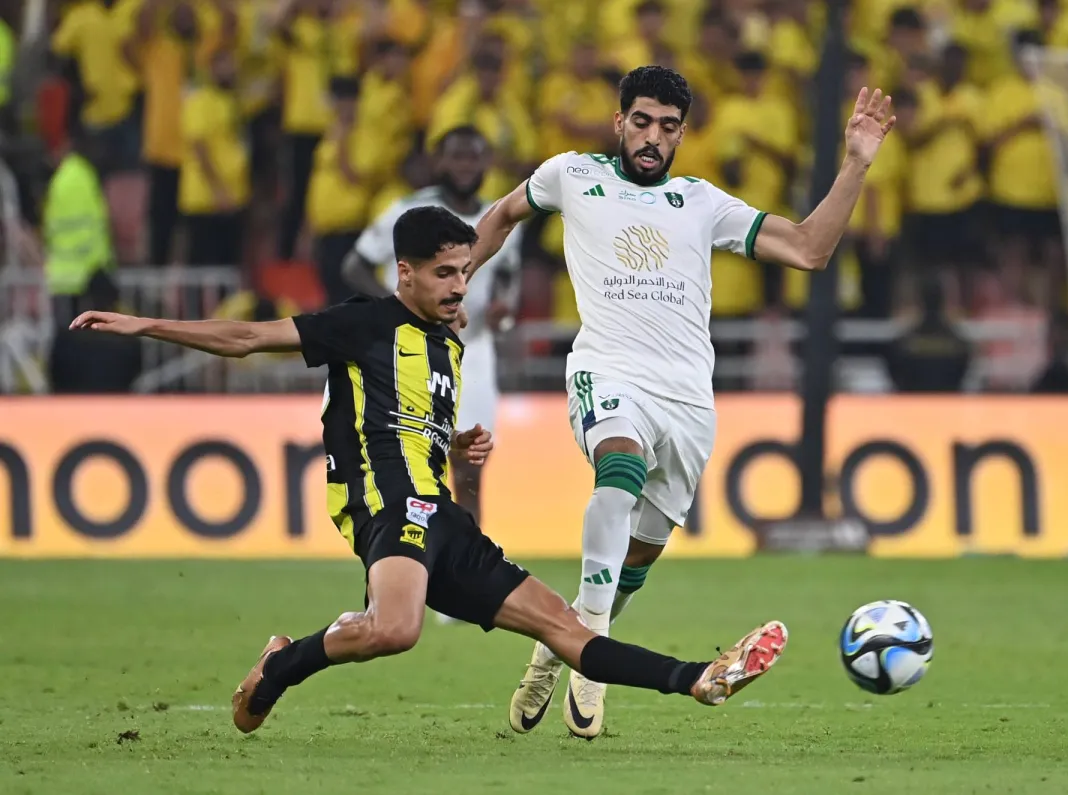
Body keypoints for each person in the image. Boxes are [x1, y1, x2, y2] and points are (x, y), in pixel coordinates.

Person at [68, 205, 788, 736]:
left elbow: (414, 432)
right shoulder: (362, 323)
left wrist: (457, 453)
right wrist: (142, 324)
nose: (458, 286)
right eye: (444, 273)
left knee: (563, 628)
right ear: (404, 272)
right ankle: (282, 664)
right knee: (398, 628)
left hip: (439, 515)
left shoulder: (448, 346)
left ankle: (698, 679)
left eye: (465, 272)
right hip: (387, 506)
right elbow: (249, 337)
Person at [469, 65, 894, 738]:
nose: (652, 137)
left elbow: (809, 250)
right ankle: (592, 658)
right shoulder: (570, 174)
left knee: (638, 557)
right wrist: (460, 277)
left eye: (668, 127)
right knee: (619, 468)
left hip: (689, 399)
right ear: (619, 122)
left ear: (682, 134)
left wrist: (856, 164)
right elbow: (501, 215)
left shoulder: (701, 202)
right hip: (608, 370)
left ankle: (558, 646)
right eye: (641, 122)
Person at [343, 126, 521, 525]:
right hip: (413, 349)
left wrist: (504, 307)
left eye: (473, 157)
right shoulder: (408, 211)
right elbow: (355, 266)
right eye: (456, 156)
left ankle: (468, 553)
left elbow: (508, 274)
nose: (465, 166)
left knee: (470, 465)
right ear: (438, 161)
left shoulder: (502, 217)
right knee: (411, 460)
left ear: (487, 163)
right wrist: (395, 311)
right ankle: (405, 548)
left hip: (472, 349)